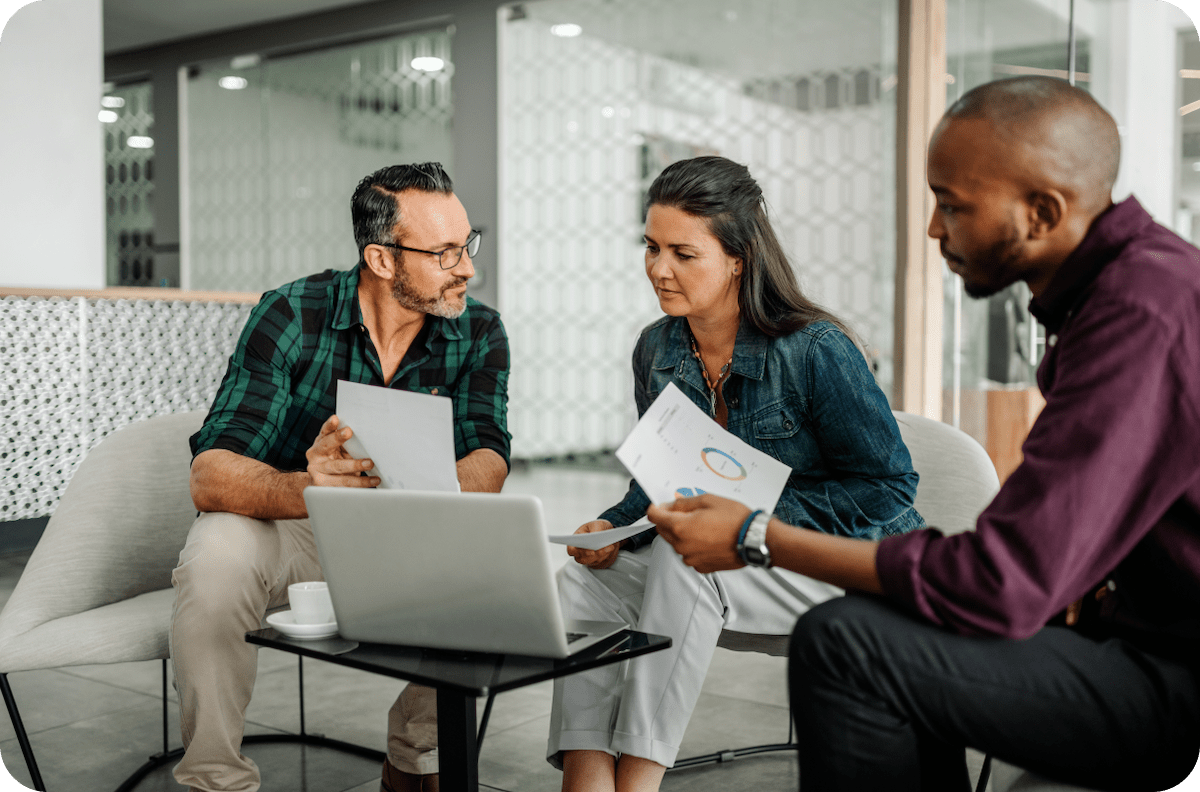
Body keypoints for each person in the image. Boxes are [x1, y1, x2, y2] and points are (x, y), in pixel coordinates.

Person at [647, 76, 1200, 792]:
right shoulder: (1125, 293)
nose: (935, 230)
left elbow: (1000, 582)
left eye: (951, 205)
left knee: (842, 644)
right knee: (883, 612)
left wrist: (758, 535)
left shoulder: (1140, 316)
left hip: (1170, 676)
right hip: (1123, 630)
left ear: (1042, 213)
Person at [547, 155, 926, 791]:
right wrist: (614, 524)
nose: (658, 269)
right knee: (588, 585)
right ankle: (587, 782)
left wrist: (751, 517)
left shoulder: (814, 349)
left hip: (839, 565)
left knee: (684, 561)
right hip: (740, 561)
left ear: (738, 257)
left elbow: (888, 488)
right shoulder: (657, 349)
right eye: (651, 247)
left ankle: (639, 781)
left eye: (682, 253)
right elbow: (658, 479)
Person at [172, 162, 510, 792]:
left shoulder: (479, 330)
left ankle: (415, 761)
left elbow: (489, 454)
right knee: (217, 550)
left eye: (468, 245)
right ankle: (213, 779)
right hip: (300, 529)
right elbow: (210, 474)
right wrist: (307, 486)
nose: (467, 267)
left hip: (410, 531)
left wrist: (432, 493)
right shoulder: (290, 314)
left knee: (490, 558)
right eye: (445, 253)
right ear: (382, 259)